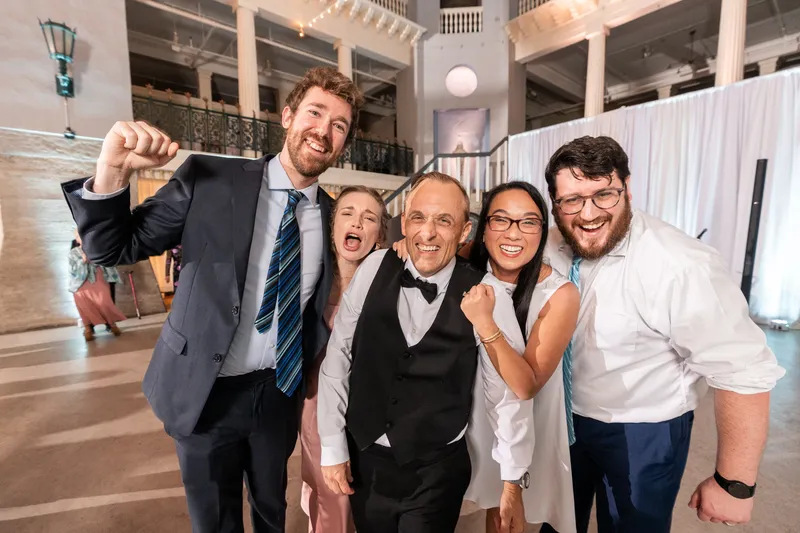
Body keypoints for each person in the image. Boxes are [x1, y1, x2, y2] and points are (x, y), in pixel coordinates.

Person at [61, 66, 365, 533]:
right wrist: (112, 169)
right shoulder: (211, 178)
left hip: (277, 395)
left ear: (343, 143)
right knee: (215, 522)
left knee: (271, 512)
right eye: (315, 113)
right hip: (205, 391)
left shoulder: (330, 216)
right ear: (288, 116)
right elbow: (111, 248)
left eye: (338, 125)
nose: (323, 131)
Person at [537, 136, 785, 532]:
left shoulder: (680, 264)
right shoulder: (551, 244)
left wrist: (734, 484)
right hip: (562, 418)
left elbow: (743, 370)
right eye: (572, 200)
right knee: (557, 521)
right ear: (555, 203)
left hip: (641, 432)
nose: (588, 213)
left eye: (604, 195)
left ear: (627, 188)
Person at [317, 172, 535, 533]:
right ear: (404, 223)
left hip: (436, 473)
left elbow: (506, 396)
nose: (428, 233)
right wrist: (332, 444)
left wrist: (512, 480)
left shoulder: (486, 293)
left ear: (464, 231)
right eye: (418, 217)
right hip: (365, 460)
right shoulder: (374, 267)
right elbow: (338, 357)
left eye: (444, 220)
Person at [458, 181, 580, 533]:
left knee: (509, 518)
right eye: (501, 219)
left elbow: (526, 386)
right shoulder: (467, 260)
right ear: (483, 228)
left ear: (542, 232)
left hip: (529, 419)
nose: (513, 233)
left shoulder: (559, 293)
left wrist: (485, 323)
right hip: (472, 410)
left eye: (528, 222)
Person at [299, 186, 390, 533]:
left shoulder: (386, 285)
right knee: (331, 497)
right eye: (348, 213)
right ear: (333, 225)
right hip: (315, 406)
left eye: (369, 218)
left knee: (365, 498)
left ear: (379, 237)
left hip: (369, 410)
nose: (357, 222)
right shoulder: (309, 279)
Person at [68, 231, 126, 341]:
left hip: (99, 276)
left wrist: (94, 259)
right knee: (84, 304)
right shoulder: (73, 252)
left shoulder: (98, 247)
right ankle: (88, 328)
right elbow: (72, 269)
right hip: (81, 281)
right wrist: (83, 261)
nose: (81, 238)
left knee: (104, 302)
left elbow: (107, 260)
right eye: (78, 236)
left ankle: (112, 324)